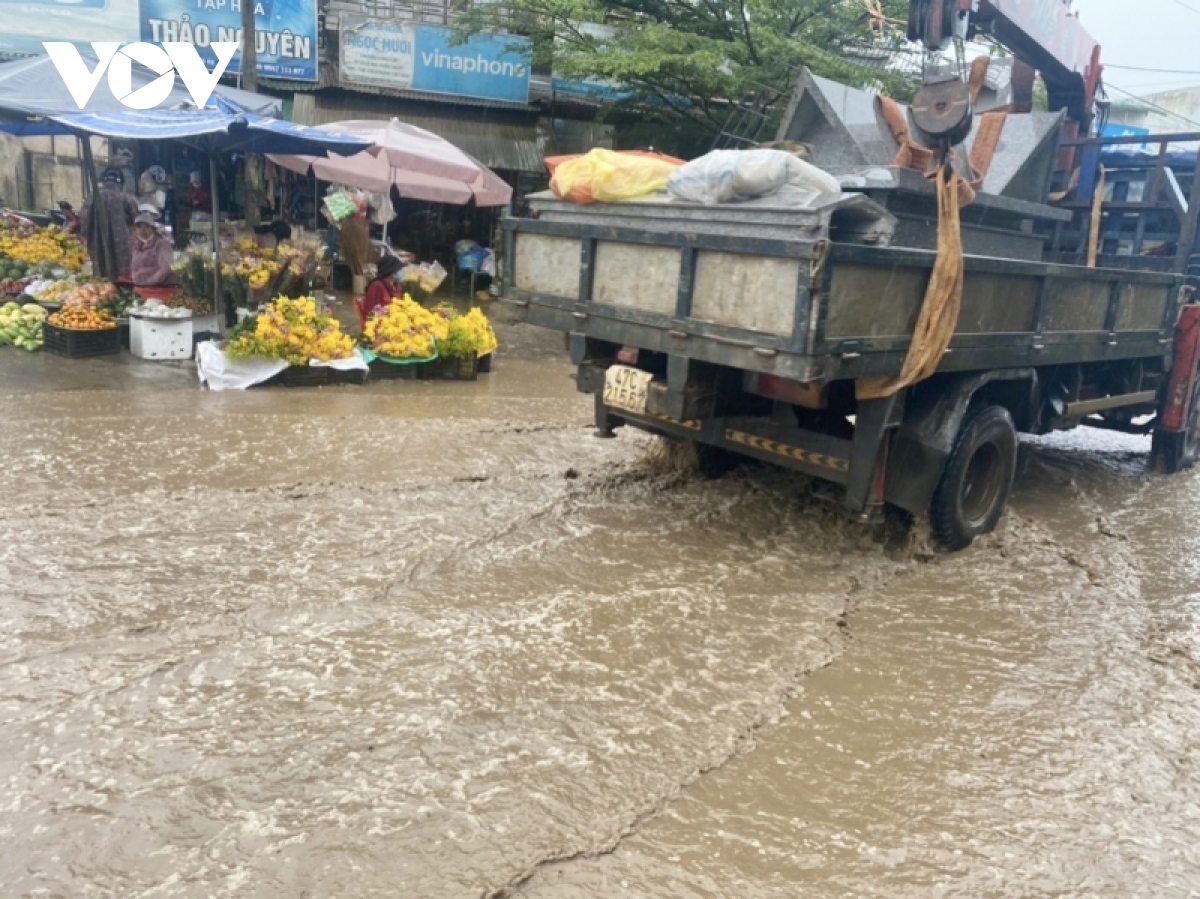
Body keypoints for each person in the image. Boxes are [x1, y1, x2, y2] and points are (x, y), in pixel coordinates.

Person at [80, 167, 139, 281]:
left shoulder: (92, 196)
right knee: (122, 270)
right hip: (122, 243)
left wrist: (86, 235)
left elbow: (84, 219)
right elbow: (136, 219)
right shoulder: (125, 197)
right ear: (120, 182)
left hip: (97, 240)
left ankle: (102, 287)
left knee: (100, 268)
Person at [130, 213, 176, 287]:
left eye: (147, 227)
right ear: (134, 230)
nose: (143, 230)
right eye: (139, 227)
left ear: (153, 229)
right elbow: (134, 268)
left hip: (160, 287)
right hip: (140, 286)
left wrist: (150, 282)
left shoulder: (162, 244)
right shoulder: (137, 246)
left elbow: (166, 268)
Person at [361, 254, 404, 318]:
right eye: (399, 270)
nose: (402, 272)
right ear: (392, 272)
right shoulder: (376, 286)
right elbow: (370, 313)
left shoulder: (397, 286)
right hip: (382, 323)